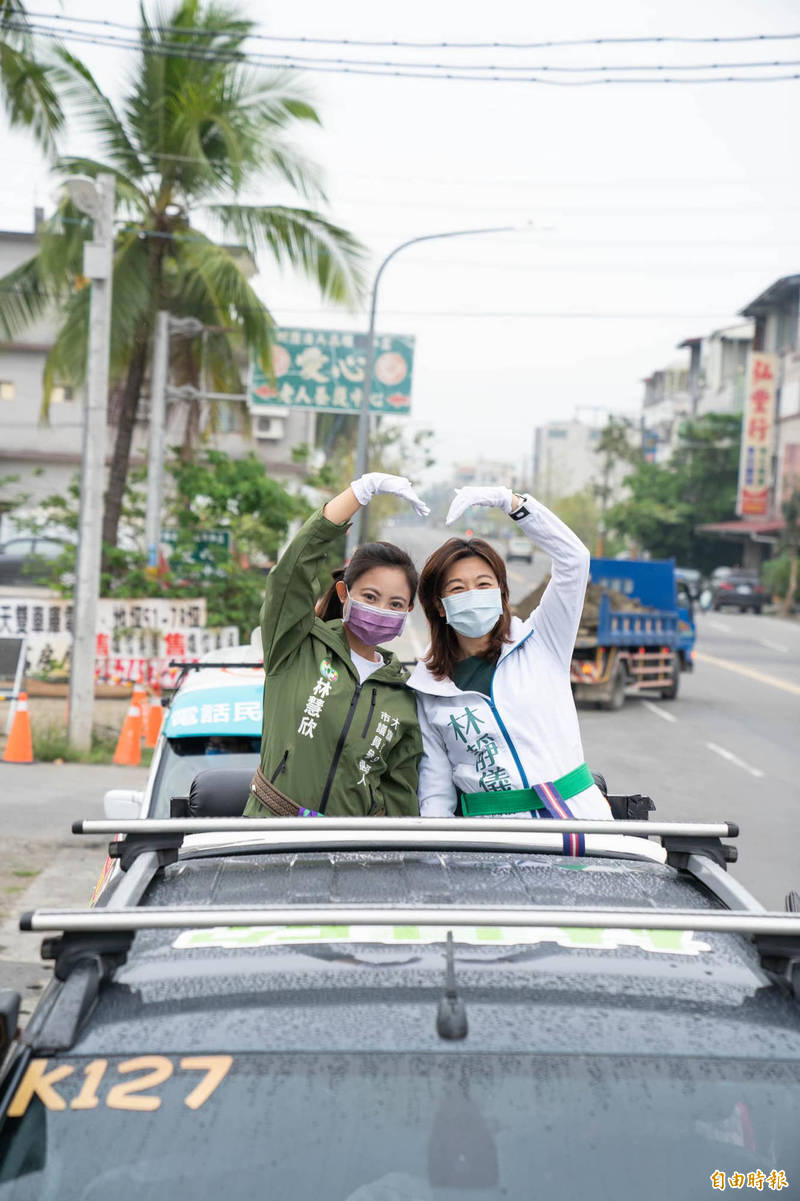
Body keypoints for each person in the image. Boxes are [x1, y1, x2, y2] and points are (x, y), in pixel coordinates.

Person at [407, 485, 611, 848]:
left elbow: (574, 560)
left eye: (483, 584)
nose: (472, 594)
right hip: (491, 847)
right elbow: (436, 794)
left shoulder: (544, 639)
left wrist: (511, 502)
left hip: (580, 828)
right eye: (457, 588)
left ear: (502, 593)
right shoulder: (429, 687)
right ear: (439, 606)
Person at [244, 473, 429, 819]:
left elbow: (400, 801)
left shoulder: (404, 696)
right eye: (370, 597)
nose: (381, 610)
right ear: (345, 594)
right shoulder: (295, 644)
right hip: (267, 838)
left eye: (394, 604)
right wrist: (359, 492)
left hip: (350, 856)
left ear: (408, 612)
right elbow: (291, 573)